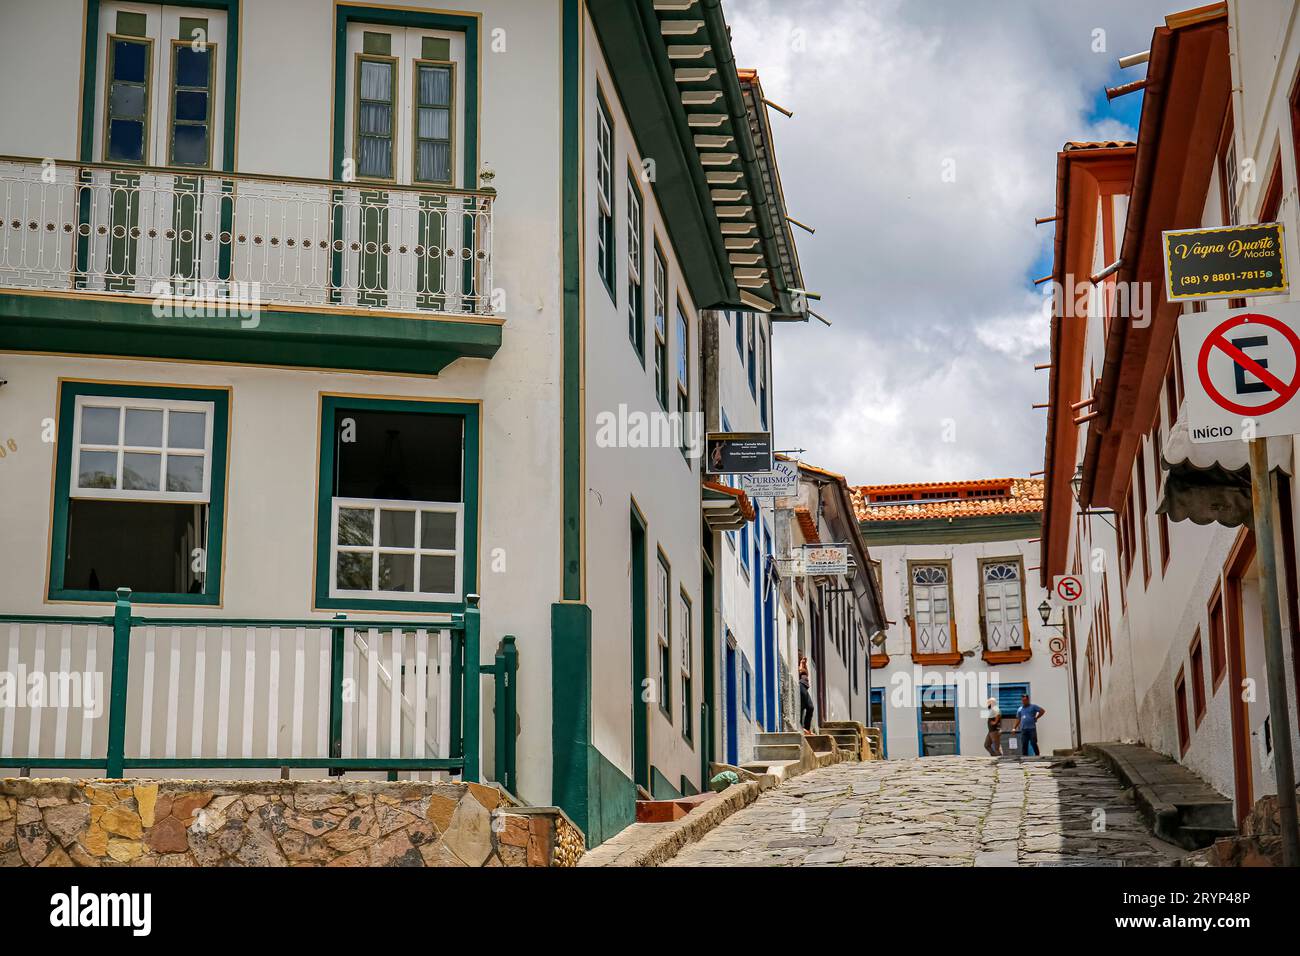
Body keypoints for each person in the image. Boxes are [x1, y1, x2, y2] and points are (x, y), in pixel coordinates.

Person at [1013, 693, 1046, 757]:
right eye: (1023, 700)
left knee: (1033, 743)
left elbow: (1042, 711)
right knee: (1024, 744)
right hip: (1023, 729)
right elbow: (1018, 719)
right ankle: (1024, 757)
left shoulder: (1033, 706)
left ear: (1028, 700)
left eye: (1025, 700)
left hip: (1031, 729)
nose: (1024, 702)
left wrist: (1036, 717)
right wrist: (1014, 728)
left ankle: (1037, 755)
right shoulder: (1020, 709)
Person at [798, 655, 815, 733]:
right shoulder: (798, 665)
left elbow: (806, 674)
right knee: (802, 706)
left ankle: (806, 728)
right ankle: (802, 728)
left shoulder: (803, 666)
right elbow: (800, 671)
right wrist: (801, 664)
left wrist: (805, 665)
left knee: (810, 707)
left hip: (805, 687)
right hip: (801, 685)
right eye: (801, 658)